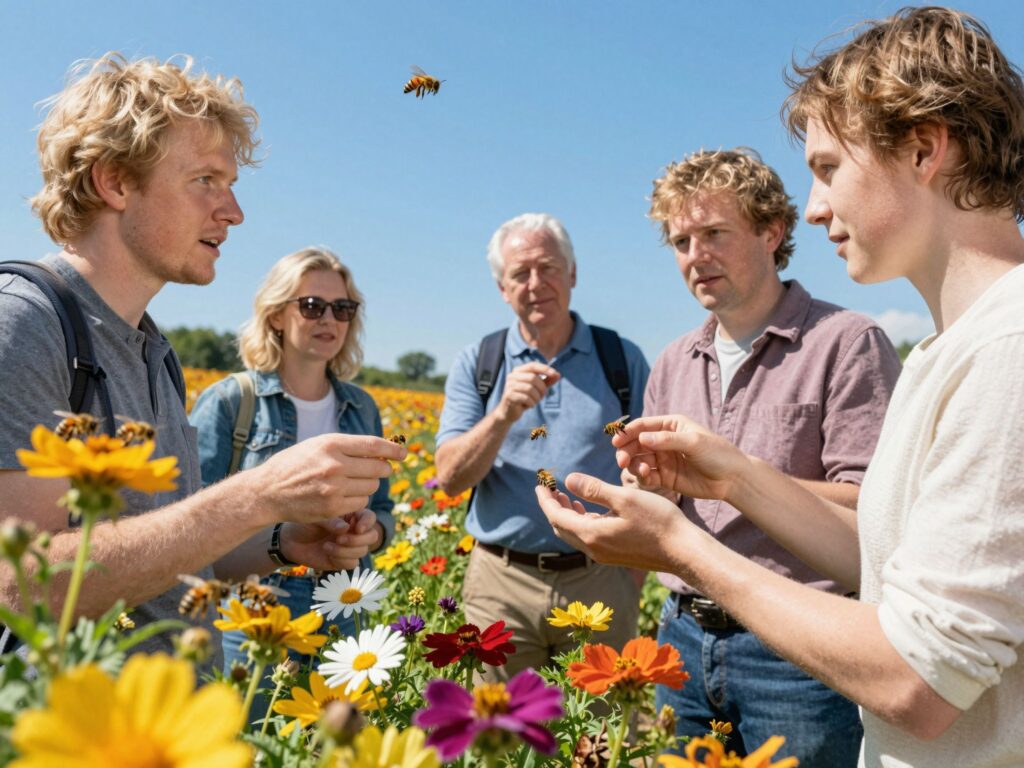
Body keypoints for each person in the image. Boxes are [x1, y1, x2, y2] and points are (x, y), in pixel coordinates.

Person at [536, 7, 1024, 767]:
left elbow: (917, 678)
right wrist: (729, 477)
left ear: (925, 148)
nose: (818, 205)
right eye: (680, 242)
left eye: (829, 167)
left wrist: (678, 545)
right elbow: (884, 565)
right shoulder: (946, 351)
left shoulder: (1006, 349)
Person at [0, 54, 404, 661]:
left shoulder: (154, 351)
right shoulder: (25, 325)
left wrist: (282, 543)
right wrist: (255, 495)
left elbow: (172, 561)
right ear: (115, 182)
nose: (233, 212)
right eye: (205, 181)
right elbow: (22, 586)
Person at [639, 147, 900, 764]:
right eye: (680, 241)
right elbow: (669, 509)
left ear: (771, 230)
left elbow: (878, 510)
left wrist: (736, 477)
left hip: (800, 648)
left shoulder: (847, 342)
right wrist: (651, 485)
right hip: (680, 629)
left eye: (713, 234)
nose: (695, 256)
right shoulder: (675, 359)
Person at [435, 212, 650, 681]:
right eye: (520, 273)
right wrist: (503, 414)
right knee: (501, 738)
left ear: (572, 274)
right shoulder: (479, 363)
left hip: (600, 576)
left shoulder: (621, 359)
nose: (536, 283)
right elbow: (449, 478)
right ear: (502, 288)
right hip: (501, 583)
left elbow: (650, 471)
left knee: (601, 735)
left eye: (549, 268)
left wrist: (630, 575)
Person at [190, 246, 393, 699]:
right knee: (251, 741)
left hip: (345, 603)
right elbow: (191, 522)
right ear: (276, 315)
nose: (329, 320)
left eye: (342, 309)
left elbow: (383, 511)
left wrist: (369, 533)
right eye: (311, 306)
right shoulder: (230, 402)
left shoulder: (362, 409)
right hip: (256, 609)